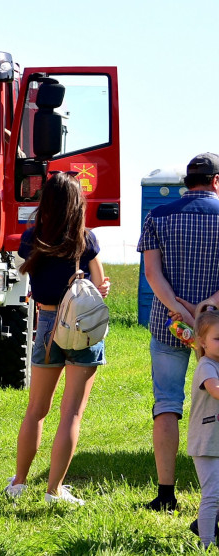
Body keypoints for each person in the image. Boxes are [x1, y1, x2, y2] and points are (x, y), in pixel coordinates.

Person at [5, 172, 110, 505]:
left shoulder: (31, 238)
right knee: (71, 414)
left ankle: (19, 484)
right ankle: (54, 491)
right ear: (78, 203)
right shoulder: (87, 240)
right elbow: (99, 287)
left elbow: (34, 273)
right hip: (82, 328)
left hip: (48, 324)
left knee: (36, 410)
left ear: (46, 202)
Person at [138, 152, 219, 512]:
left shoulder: (157, 216)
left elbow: (153, 275)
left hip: (168, 324)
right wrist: (206, 308)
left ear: (188, 181)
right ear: (216, 181)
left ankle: (166, 493)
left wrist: (180, 309)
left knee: (167, 405)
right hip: (216, 329)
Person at [189, 308, 219, 548]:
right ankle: (206, 544)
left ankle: (203, 526)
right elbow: (214, 390)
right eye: (217, 339)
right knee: (212, 495)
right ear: (202, 342)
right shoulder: (207, 366)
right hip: (206, 442)